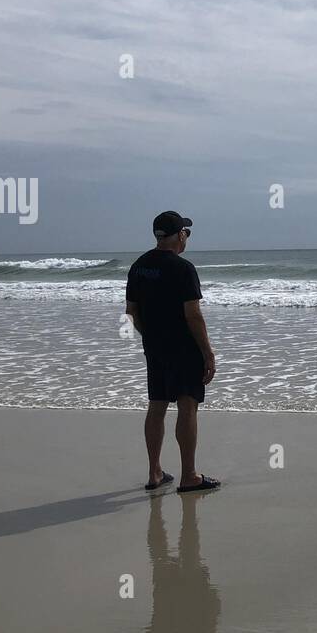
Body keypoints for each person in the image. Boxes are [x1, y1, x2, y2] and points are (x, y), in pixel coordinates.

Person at [125, 211, 219, 493]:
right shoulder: (183, 268)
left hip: (155, 348)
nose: (187, 237)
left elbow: (131, 312)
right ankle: (189, 475)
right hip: (184, 347)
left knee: (157, 405)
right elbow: (193, 315)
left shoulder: (139, 267)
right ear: (179, 235)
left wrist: (150, 337)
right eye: (185, 233)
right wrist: (208, 353)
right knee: (187, 406)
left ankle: (155, 472)